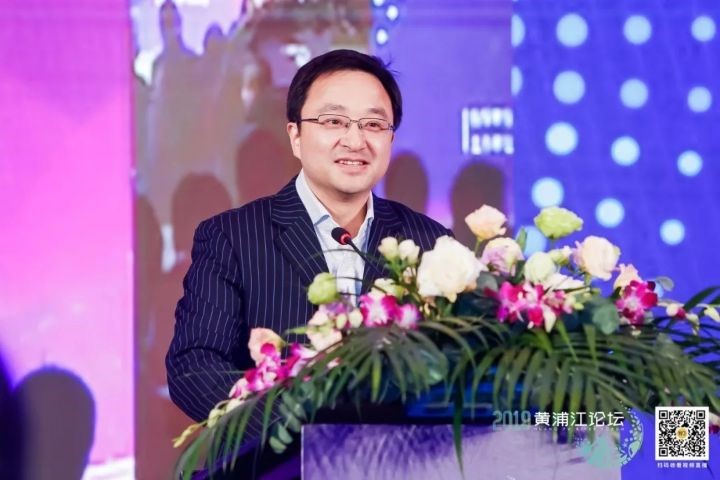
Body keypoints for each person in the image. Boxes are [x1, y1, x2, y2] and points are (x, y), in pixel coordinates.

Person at [166, 49, 452, 427]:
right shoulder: (232, 238)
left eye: (373, 124)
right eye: (334, 121)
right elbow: (194, 366)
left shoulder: (431, 243)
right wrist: (292, 427)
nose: (355, 140)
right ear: (296, 136)